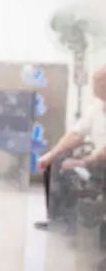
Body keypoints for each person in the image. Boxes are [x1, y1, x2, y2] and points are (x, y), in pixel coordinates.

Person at [35, 65, 106, 231]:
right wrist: (51, 155)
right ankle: (59, 220)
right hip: (96, 161)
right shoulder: (97, 107)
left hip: (100, 161)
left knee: (74, 168)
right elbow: (76, 134)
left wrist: (84, 161)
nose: (93, 85)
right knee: (56, 163)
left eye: (97, 81)